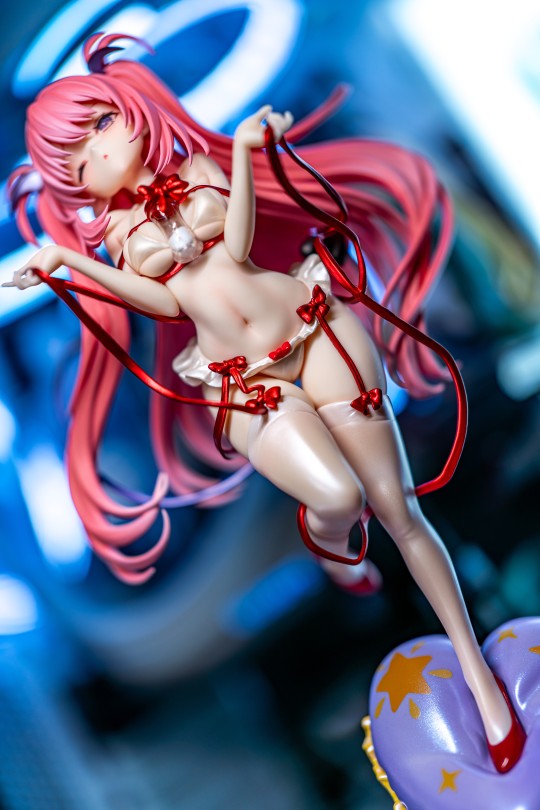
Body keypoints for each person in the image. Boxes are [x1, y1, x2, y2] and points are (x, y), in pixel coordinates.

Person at [4, 32, 525, 771]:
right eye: (77, 162)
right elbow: (162, 302)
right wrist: (68, 265)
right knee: (340, 497)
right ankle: (335, 546)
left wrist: (246, 156)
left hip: (312, 325)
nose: (99, 155)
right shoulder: (118, 231)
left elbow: (242, 241)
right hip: (244, 381)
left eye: (99, 127)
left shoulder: (197, 168)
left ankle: (482, 683)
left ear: (127, 110)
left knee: (402, 509)